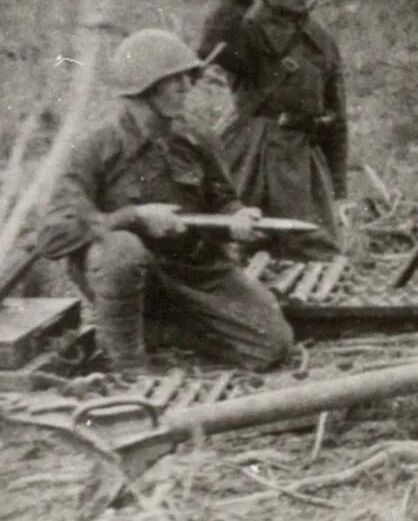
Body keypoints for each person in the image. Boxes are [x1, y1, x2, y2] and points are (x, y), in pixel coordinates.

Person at [37, 29, 294, 373]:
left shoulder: (196, 135)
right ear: (144, 89)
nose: (186, 86)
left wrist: (237, 218)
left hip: (197, 272)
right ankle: (127, 363)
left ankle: (162, 332)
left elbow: (222, 199)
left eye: (188, 76)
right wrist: (134, 217)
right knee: (121, 250)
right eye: (174, 79)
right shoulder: (95, 147)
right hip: (132, 276)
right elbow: (54, 235)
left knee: (274, 345)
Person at [198, 0, 347, 258]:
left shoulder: (320, 40)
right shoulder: (247, 32)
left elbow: (337, 117)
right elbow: (210, 48)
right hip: (251, 156)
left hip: (302, 163)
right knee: (239, 249)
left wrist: (338, 188)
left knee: (314, 253)